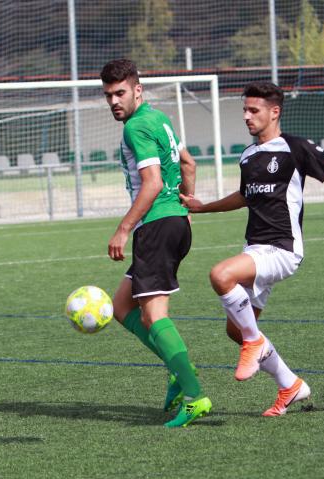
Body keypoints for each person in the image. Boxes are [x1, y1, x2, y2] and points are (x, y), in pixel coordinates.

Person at [180, 82, 324, 417]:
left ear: (275, 112)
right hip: (255, 249)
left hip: (283, 249)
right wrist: (203, 207)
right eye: (245, 110)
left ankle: (256, 346)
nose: (246, 116)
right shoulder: (248, 156)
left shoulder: (294, 147)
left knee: (220, 275)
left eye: (253, 110)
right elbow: (244, 196)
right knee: (237, 329)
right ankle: (290, 385)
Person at [101, 58, 211, 428]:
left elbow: (149, 184)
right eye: (108, 95)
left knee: (152, 315)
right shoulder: (160, 119)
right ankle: (176, 369)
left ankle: (193, 392)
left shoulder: (134, 128)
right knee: (120, 305)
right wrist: (187, 204)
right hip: (174, 221)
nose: (114, 101)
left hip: (155, 225)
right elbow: (189, 164)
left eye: (120, 93)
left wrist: (123, 229)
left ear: (137, 89)